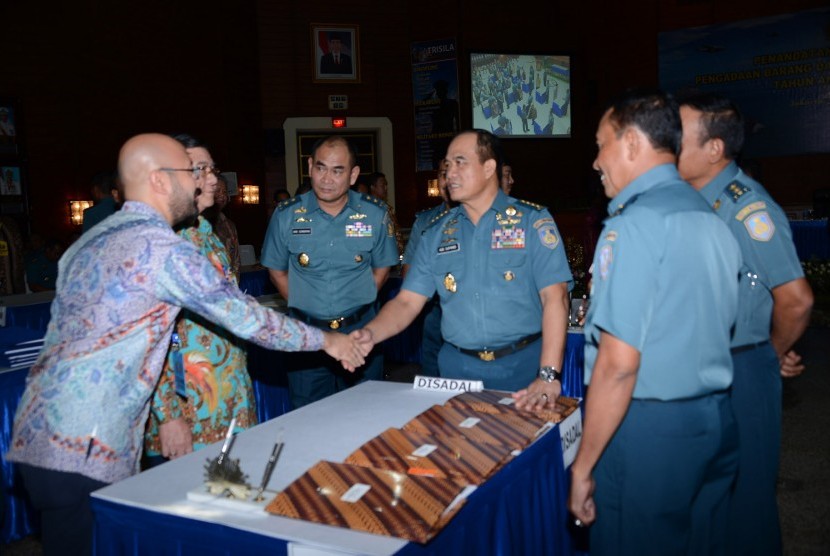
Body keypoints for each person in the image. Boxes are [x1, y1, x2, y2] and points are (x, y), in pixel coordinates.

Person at [7, 133, 365, 556]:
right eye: (190, 173)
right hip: (87, 443)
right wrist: (329, 340)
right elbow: (245, 318)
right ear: (160, 180)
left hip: (43, 434)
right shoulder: (161, 249)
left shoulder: (92, 239)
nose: (200, 183)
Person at [568, 89, 742, 555]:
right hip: (715, 421)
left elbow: (619, 364)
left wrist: (583, 467)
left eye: (600, 144)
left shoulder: (633, 226)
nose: (596, 161)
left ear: (630, 143)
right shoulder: (709, 215)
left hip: (648, 435)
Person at [677, 93, 814, 555]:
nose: (667, 142)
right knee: (705, 496)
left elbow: (795, 301)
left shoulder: (746, 208)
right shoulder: (693, 202)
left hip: (739, 370)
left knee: (746, 500)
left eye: (679, 135)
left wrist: (768, 353)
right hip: (702, 367)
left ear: (714, 149)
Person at [352, 129, 572, 401]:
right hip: (456, 371)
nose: (449, 174)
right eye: (447, 165)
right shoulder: (436, 233)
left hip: (521, 371)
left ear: (489, 167)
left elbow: (555, 297)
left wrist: (548, 374)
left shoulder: (531, 221)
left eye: (460, 162)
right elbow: (407, 302)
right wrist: (370, 333)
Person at [261, 136, 399, 408]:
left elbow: (382, 268)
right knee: (309, 418)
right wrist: (305, 305)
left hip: (360, 332)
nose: (327, 179)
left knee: (366, 414)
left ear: (352, 175)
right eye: (321, 168)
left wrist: (356, 304)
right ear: (310, 167)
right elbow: (276, 271)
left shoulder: (374, 214)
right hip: (307, 336)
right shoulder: (286, 215)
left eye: (338, 171)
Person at [144, 134, 253, 464]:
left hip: (230, 400)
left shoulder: (206, 232)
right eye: (199, 169)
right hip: (187, 411)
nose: (210, 178)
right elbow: (149, 338)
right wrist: (168, 416)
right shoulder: (159, 241)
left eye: (212, 169)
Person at [400, 161, 453, 377]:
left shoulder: (484, 219)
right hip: (435, 311)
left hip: (477, 315)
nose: (448, 180)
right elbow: (409, 272)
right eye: (443, 174)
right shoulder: (426, 221)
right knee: (434, 379)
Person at [209, 173, 241, 277]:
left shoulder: (229, 225)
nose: (222, 195)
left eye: (225, 192)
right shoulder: (195, 224)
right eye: (217, 191)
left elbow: (236, 260)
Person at [368, 171, 404, 255]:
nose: (386, 188)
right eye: (382, 185)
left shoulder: (386, 207)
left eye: (386, 185)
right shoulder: (368, 209)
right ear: (373, 187)